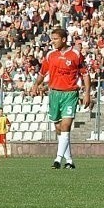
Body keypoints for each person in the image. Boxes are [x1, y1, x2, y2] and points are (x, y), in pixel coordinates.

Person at [31, 28, 91, 169]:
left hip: (70, 94)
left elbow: (85, 74)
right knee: (58, 128)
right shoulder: (50, 55)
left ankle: (57, 160)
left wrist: (87, 92)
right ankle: (69, 160)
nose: (53, 42)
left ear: (64, 39)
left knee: (66, 126)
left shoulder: (75, 54)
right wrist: (36, 85)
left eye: (55, 39)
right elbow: (42, 72)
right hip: (54, 94)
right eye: (52, 39)